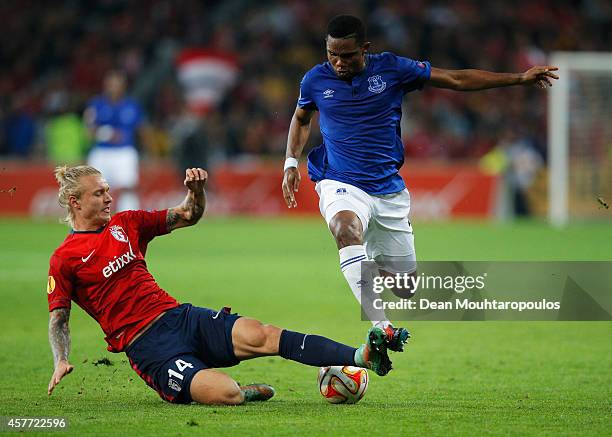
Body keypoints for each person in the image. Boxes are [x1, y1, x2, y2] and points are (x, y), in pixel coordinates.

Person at [281, 15, 558, 348]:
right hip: (339, 180)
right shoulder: (314, 80)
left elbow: (455, 79)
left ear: (365, 49)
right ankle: (382, 329)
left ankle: (361, 267)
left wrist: (518, 79)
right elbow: (301, 119)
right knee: (343, 227)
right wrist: (290, 163)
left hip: (387, 191)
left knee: (406, 288)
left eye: (348, 55)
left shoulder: (392, 69)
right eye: (332, 55)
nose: (339, 63)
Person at [47, 165, 397, 405]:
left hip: (180, 317)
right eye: (98, 194)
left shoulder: (127, 223)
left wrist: (196, 193)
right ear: (75, 202)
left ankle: (361, 356)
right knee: (226, 394)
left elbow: (187, 215)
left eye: (107, 191)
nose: (108, 198)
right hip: (149, 348)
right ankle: (240, 391)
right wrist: (61, 359)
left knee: (263, 334)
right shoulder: (65, 258)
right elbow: (59, 319)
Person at [83, 70, 144, 211]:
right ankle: (95, 225)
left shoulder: (132, 106)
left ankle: (128, 222)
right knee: (94, 189)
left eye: (117, 84)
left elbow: (142, 130)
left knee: (128, 188)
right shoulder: (96, 105)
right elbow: (88, 132)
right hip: (102, 152)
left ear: (124, 86)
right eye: (111, 85)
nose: (114, 88)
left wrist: (154, 152)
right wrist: (107, 134)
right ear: (106, 86)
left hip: (125, 152)